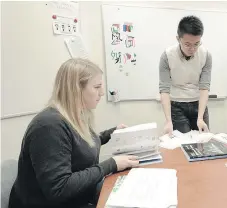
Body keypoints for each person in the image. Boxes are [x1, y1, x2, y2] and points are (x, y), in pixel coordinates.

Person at [9, 58, 139, 208]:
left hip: (78, 197)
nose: (102, 93)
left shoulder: (74, 115)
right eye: (97, 87)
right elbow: (59, 188)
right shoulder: (49, 126)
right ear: (76, 89)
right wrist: (111, 165)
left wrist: (110, 134)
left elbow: (78, 144)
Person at [159, 15, 212, 135]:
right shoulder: (167, 56)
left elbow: (204, 87)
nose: (192, 48)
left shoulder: (206, 55)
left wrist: (200, 118)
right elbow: (164, 90)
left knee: (203, 143)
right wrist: (168, 121)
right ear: (178, 39)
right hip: (177, 106)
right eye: (187, 44)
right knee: (183, 146)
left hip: (199, 104)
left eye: (196, 44)